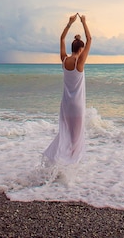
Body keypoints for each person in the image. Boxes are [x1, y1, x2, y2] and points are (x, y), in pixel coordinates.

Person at [43, 13, 92, 164]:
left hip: (65, 106)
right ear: (81, 49)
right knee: (76, 141)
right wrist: (84, 22)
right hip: (77, 107)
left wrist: (70, 23)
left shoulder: (64, 60)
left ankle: (61, 165)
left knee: (66, 136)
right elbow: (90, 39)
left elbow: (62, 39)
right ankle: (69, 169)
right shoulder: (80, 62)